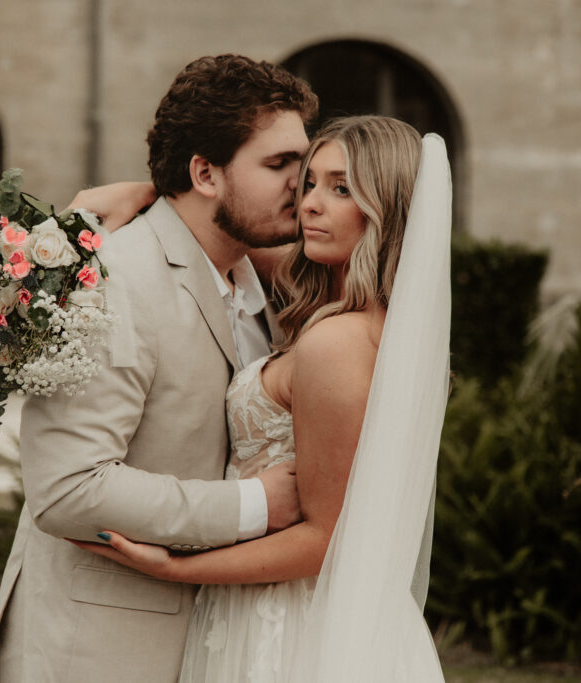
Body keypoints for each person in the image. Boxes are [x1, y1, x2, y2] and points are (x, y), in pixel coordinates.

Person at [73, 116, 453, 682]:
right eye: (309, 183)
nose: (311, 205)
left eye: (343, 188)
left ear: (387, 209)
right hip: (311, 608)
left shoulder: (336, 342)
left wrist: (178, 568)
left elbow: (324, 539)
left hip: (288, 623)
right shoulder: (364, 315)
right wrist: (154, 192)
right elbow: (215, 232)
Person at [0, 55, 319, 682]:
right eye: (279, 166)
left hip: (216, 643)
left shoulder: (259, 280)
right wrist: (252, 507)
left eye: (306, 163)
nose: (305, 186)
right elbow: (69, 487)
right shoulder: (114, 278)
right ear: (205, 173)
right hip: (99, 652)